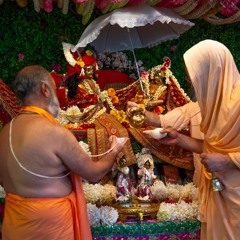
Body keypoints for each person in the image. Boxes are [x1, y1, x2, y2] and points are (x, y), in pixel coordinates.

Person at [0, 65, 129, 240]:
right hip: (48, 229)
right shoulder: (53, 132)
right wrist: (115, 149)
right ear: (45, 89)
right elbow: (93, 172)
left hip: (14, 227)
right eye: (54, 89)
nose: (58, 96)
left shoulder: (6, 131)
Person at [158, 40, 240, 240]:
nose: (189, 79)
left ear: (212, 71)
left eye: (194, 74)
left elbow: (223, 155)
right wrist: (180, 139)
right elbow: (212, 148)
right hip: (217, 193)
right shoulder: (215, 104)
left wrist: (227, 161)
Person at [61, 44, 136, 167]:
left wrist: (104, 96)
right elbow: (84, 98)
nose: (91, 71)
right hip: (89, 113)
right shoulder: (80, 85)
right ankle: (107, 162)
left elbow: (98, 95)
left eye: (92, 68)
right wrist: (100, 97)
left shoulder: (93, 83)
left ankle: (122, 161)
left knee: (119, 129)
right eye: (88, 69)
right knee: (110, 130)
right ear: (82, 71)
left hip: (99, 110)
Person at [127, 100, 203, 187]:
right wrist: (140, 112)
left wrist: (222, 160)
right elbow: (162, 120)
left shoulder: (221, 109)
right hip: (203, 183)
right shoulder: (194, 108)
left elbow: (212, 147)